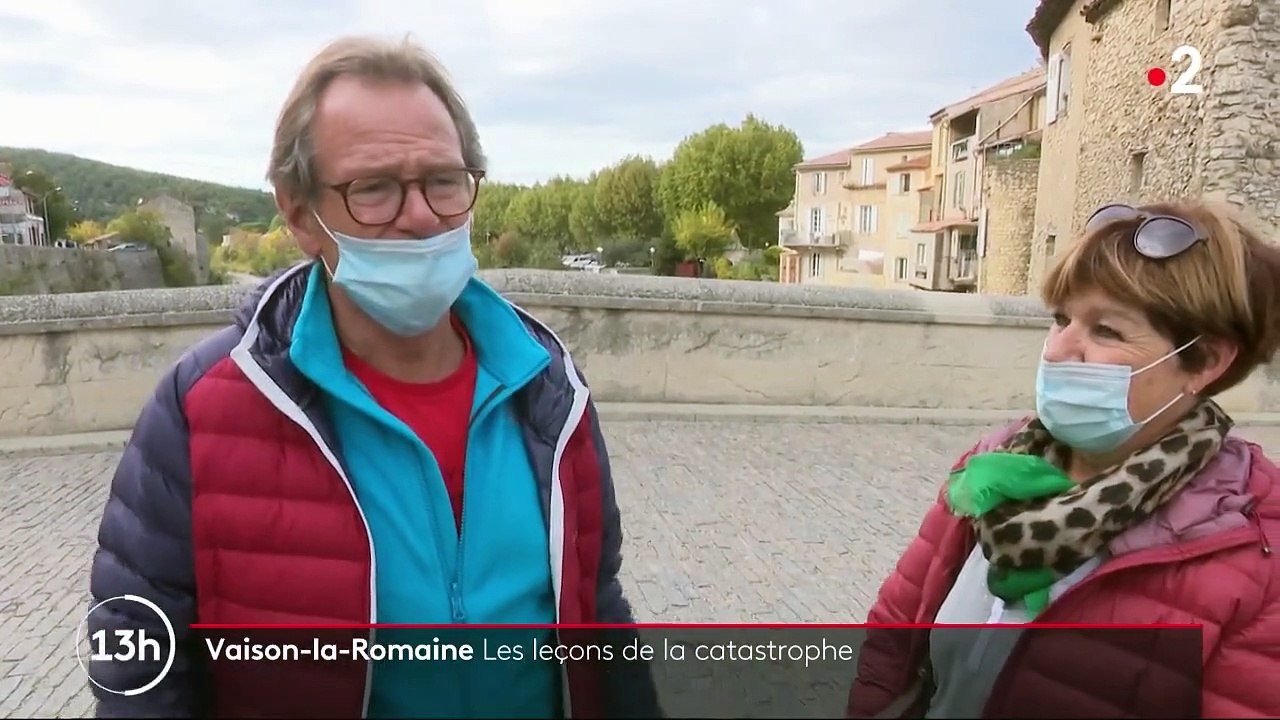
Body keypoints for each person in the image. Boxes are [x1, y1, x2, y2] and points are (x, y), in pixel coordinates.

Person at [86, 35, 659, 719]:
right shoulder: (204, 405)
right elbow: (136, 650)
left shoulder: (550, 388)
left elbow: (597, 606)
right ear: (300, 214)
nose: (420, 217)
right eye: (375, 189)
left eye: (443, 180)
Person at [847, 200, 1280, 718]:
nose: (1056, 349)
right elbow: (894, 639)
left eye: (1106, 331)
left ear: (1206, 361)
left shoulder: (1252, 550)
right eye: (1061, 318)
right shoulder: (994, 466)